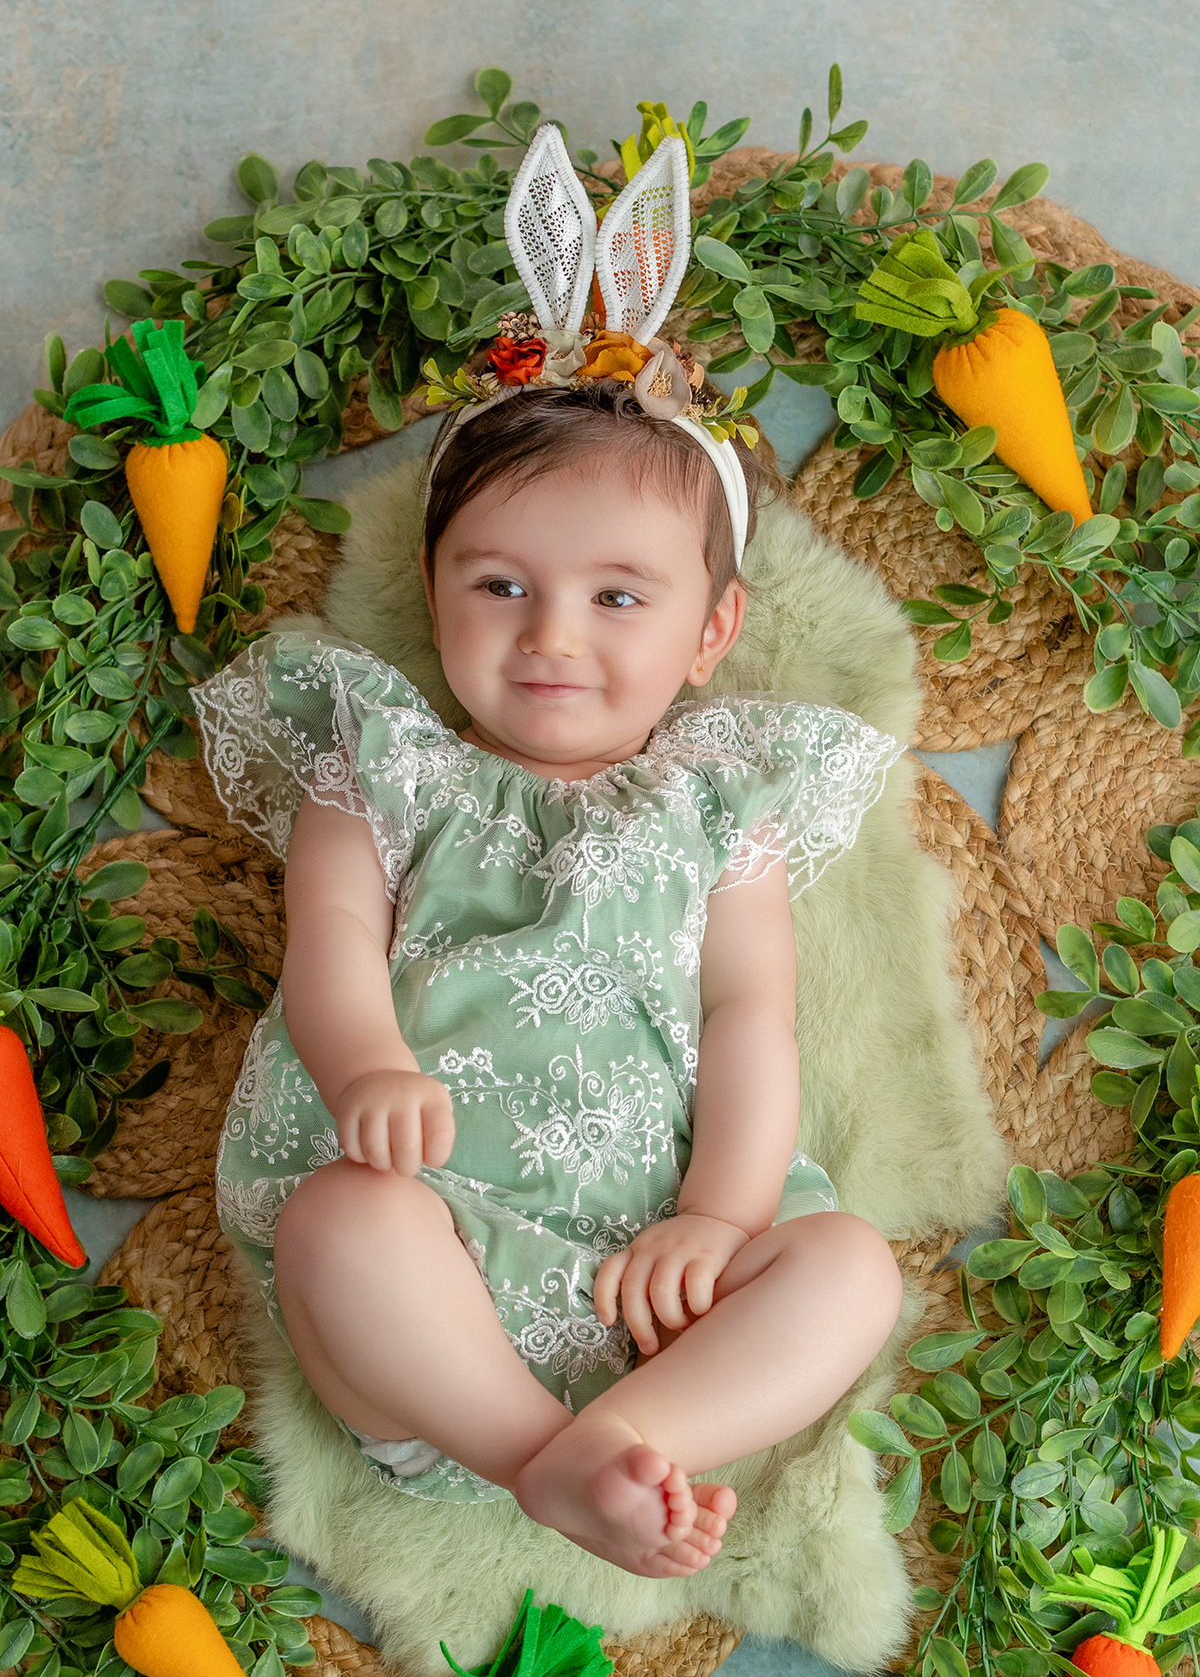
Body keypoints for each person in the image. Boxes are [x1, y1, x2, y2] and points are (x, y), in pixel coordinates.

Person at [190, 127, 906, 1584]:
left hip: (670, 1292)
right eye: (500, 584)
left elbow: (749, 1015)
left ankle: (625, 1440)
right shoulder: (383, 766)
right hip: (431, 1286)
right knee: (341, 1220)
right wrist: (366, 1070)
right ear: (435, 587)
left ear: (712, 637)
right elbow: (327, 947)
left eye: (618, 596)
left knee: (852, 1271)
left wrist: (720, 1212)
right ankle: (539, 1457)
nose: (550, 636)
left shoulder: (722, 801)